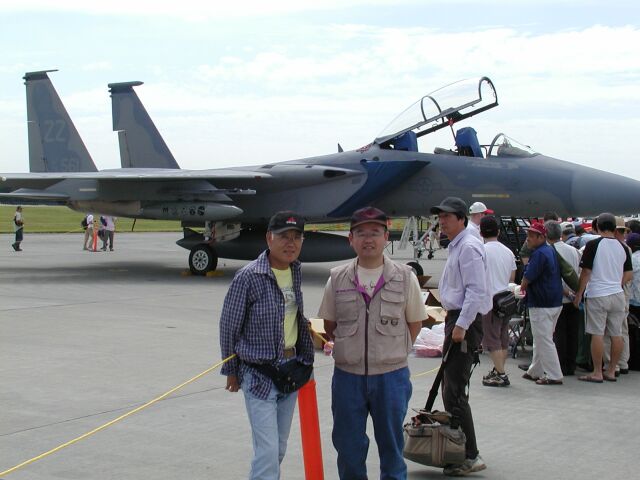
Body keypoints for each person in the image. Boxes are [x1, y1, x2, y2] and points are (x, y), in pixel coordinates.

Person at [317, 206, 426, 480]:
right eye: (361, 233)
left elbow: (414, 323)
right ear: (350, 239)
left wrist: (392, 351)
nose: (368, 239)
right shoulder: (337, 278)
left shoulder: (405, 277)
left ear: (386, 237)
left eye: (375, 232)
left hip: (391, 377)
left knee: (392, 449)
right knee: (349, 448)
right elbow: (329, 325)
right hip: (348, 378)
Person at [219, 211, 314, 480]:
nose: (291, 243)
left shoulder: (295, 271)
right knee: (268, 452)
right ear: (269, 238)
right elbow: (229, 326)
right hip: (259, 374)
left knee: (277, 449)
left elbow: (293, 315)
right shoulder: (248, 277)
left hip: (291, 371)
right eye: (284, 236)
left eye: (296, 237)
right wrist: (231, 371)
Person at [430, 197, 490, 476]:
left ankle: (470, 454)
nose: (442, 221)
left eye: (447, 217)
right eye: (440, 217)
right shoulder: (458, 244)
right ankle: (460, 448)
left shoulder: (468, 247)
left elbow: (476, 290)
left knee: (454, 389)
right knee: (450, 387)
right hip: (457, 318)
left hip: (465, 320)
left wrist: (461, 325)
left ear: (462, 219)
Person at [574, 213, 632, 383]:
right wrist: (615, 283)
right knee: (616, 333)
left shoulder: (593, 245)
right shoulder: (623, 247)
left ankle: (598, 372)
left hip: (598, 294)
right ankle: (612, 370)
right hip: (617, 294)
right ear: (615, 228)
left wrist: (579, 293)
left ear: (597, 227)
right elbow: (628, 274)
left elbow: (586, 272)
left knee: (597, 333)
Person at [520, 222, 564, 385]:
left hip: (542, 302)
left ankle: (554, 374)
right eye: (528, 235)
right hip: (554, 300)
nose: (528, 239)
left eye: (532, 236)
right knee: (541, 337)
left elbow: (528, 277)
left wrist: (522, 287)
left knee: (543, 339)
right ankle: (535, 370)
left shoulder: (539, 253)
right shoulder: (549, 250)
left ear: (541, 237)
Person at [479, 215, 516, 387]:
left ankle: (501, 374)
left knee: (492, 339)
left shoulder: (481, 251)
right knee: (503, 337)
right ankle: (498, 369)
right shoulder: (508, 251)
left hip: (490, 300)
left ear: (481, 233)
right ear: (499, 232)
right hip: (506, 298)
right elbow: (512, 277)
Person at [546, 221, 581, 376]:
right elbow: (578, 272)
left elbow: (553, 277)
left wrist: (565, 292)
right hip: (574, 297)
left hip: (557, 298)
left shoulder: (549, 251)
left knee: (558, 333)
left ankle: (559, 364)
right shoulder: (574, 250)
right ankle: (570, 364)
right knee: (572, 333)